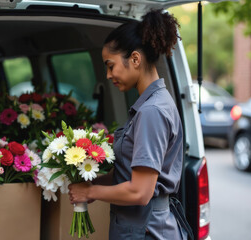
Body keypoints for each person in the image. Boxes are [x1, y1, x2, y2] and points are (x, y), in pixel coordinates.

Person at [68, 9, 186, 240]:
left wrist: (90, 191)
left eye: (110, 65)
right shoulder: (149, 105)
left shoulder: (152, 111)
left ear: (134, 59)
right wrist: (90, 181)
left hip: (147, 229)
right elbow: (129, 176)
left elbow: (140, 192)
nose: (108, 75)